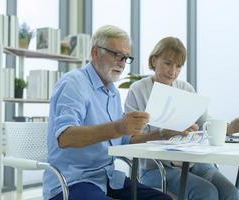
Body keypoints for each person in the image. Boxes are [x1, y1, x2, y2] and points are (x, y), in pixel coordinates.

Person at [43, 25, 172, 200]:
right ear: (95, 52)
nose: (121, 62)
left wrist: (163, 134)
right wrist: (119, 127)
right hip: (71, 182)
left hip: (108, 179)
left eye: (125, 57)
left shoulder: (112, 92)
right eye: (115, 54)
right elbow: (65, 137)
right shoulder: (73, 84)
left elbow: (126, 140)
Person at [125, 36, 239, 200]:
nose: (173, 71)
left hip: (192, 162)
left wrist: (231, 127)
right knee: (206, 192)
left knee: (230, 192)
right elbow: (132, 139)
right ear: (154, 60)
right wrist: (163, 133)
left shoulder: (186, 89)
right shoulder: (138, 90)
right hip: (156, 168)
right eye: (167, 63)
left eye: (178, 66)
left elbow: (205, 124)